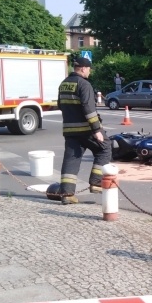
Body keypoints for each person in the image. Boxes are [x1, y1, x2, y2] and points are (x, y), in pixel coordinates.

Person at [57, 57, 111, 205]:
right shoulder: (84, 84)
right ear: (83, 68)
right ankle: (96, 183)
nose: (89, 71)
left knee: (71, 160)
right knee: (105, 148)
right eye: (88, 69)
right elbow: (89, 109)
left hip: (69, 129)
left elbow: (60, 105)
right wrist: (96, 130)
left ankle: (67, 194)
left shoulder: (64, 84)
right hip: (86, 129)